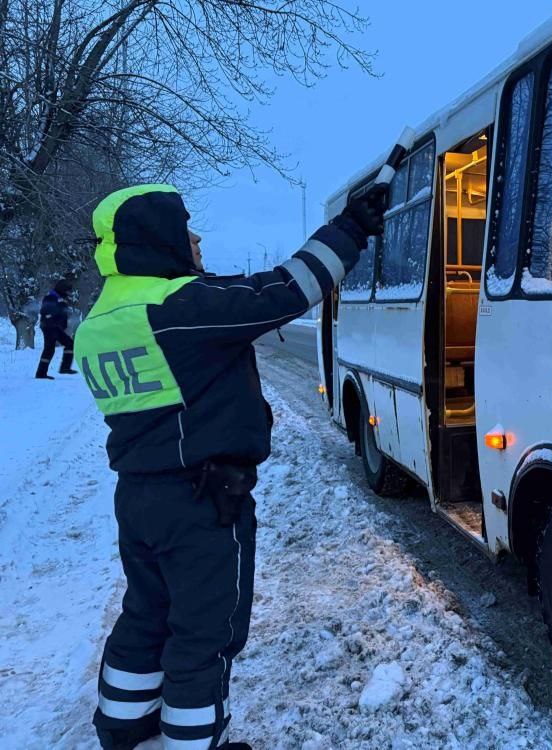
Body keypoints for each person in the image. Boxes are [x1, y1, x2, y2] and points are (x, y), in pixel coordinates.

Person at [73, 182, 387, 750]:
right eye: (184, 226)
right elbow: (287, 290)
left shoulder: (100, 321)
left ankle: (123, 732)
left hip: (139, 499)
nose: (195, 238)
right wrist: (352, 228)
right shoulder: (178, 308)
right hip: (202, 500)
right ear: (156, 235)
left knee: (146, 616)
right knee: (204, 634)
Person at [35, 278, 77, 379]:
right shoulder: (51, 297)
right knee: (51, 349)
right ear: (62, 289)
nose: (69, 293)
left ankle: (64, 368)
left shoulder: (58, 297)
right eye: (67, 291)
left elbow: (59, 311)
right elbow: (46, 310)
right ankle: (41, 373)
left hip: (54, 327)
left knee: (67, 344)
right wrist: (56, 313)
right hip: (50, 327)